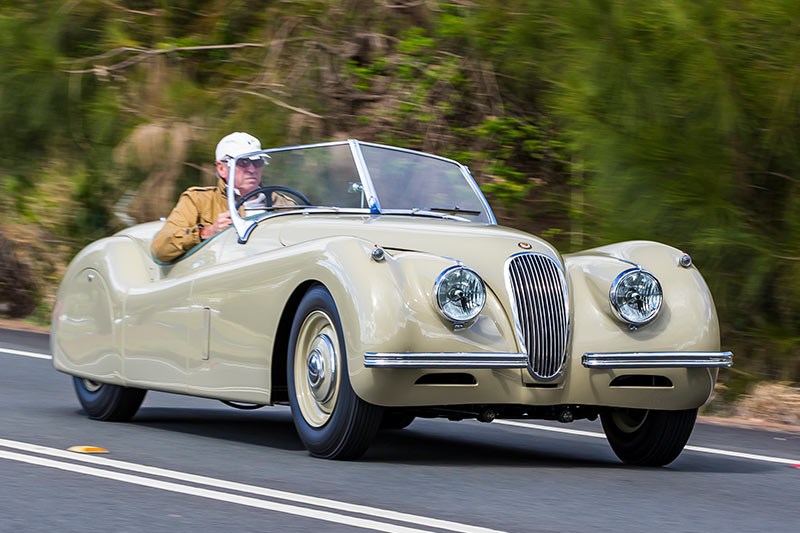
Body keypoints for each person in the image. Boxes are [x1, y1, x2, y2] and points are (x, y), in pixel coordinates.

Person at [151, 131, 270, 263]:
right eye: (243, 162)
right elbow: (161, 248)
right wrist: (207, 232)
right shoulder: (197, 199)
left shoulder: (284, 202)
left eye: (258, 162)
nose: (252, 170)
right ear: (221, 169)